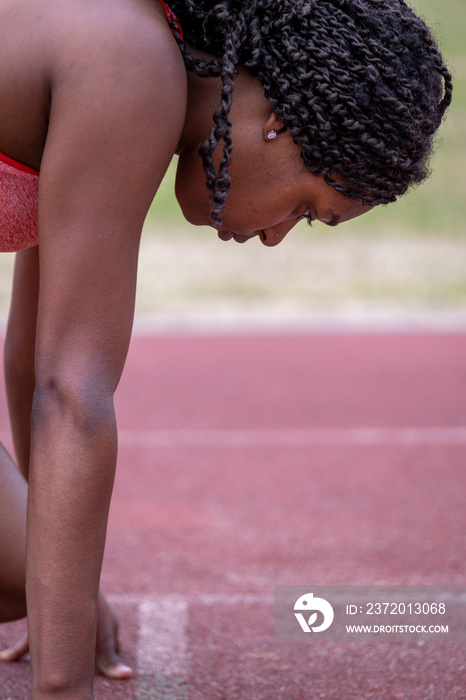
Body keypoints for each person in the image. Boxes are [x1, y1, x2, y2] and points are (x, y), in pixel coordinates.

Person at [0, 0, 452, 698]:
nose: (275, 237)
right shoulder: (132, 72)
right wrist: (64, 689)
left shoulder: (135, 69)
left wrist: (68, 594)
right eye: (306, 208)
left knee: (21, 570)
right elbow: (72, 394)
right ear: (280, 124)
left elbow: (33, 358)